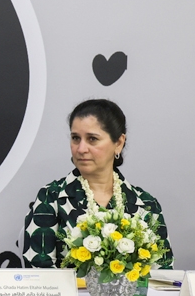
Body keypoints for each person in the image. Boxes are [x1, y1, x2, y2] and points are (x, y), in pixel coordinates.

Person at [23, 98, 173, 268]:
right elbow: (38, 273)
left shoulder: (145, 204)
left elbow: (164, 274)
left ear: (119, 143)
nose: (81, 149)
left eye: (92, 139)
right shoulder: (51, 198)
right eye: (75, 138)